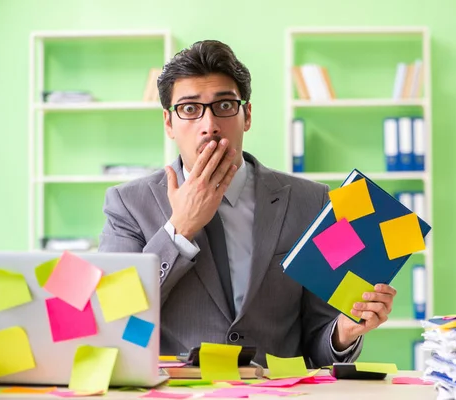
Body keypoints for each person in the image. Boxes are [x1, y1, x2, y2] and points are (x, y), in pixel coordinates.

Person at [98, 40, 397, 368]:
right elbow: (114, 316)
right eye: (189, 108)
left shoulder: (312, 201)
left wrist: (344, 332)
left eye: (224, 105)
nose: (209, 125)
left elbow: (318, 341)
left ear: (247, 115)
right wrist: (179, 229)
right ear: (169, 123)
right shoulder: (128, 204)